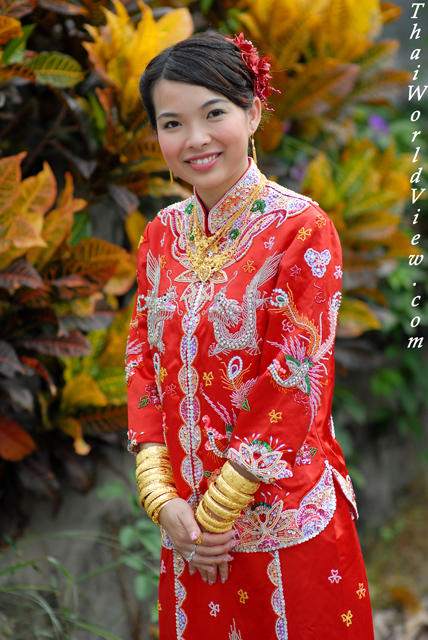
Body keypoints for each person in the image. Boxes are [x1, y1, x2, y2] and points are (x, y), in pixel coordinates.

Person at [126, 31, 375, 640]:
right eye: (172, 123)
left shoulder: (303, 230)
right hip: (189, 535)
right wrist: (163, 500)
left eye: (215, 114)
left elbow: (295, 378)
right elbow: (141, 360)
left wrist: (215, 513)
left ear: (254, 111)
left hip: (281, 523)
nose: (196, 139)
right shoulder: (160, 234)